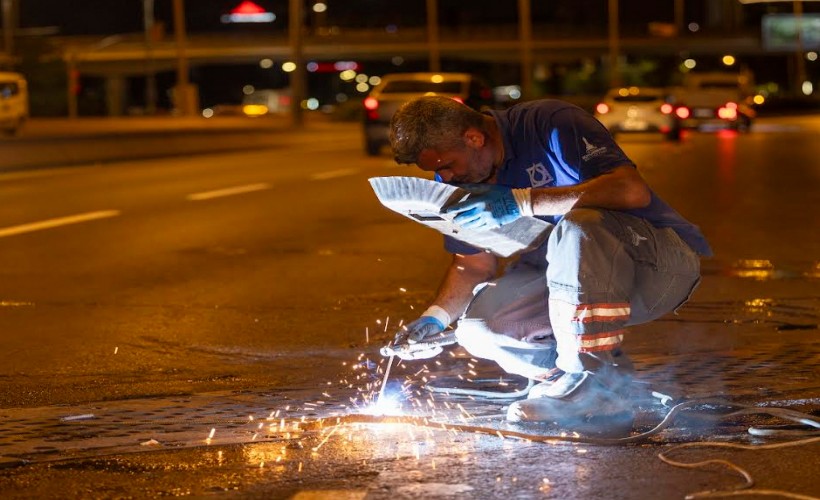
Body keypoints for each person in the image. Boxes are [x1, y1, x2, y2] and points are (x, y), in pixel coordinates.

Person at [387, 95, 711, 425]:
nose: (446, 177)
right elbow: (472, 264)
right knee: (479, 331)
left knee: (578, 224)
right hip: (568, 281)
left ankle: (590, 381)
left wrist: (522, 202)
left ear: (474, 138)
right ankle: (592, 381)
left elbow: (631, 190)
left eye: (446, 165)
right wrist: (435, 318)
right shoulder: (460, 178)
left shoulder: (550, 122)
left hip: (655, 268)